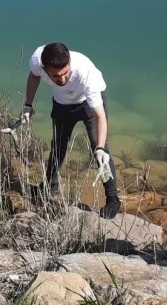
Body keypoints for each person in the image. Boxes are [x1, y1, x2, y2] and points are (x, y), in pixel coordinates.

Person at [20, 42, 121, 218]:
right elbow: (34, 76)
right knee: (58, 145)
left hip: (88, 104)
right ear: (45, 69)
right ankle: (50, 187)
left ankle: (113, 199)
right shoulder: (37, 60)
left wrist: (100, 148)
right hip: (62, 104)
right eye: (56, 76)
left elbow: (100, 117)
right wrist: (28, 105)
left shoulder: (86, 74)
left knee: (100, 151)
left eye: (66, 73)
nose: (62, 79)